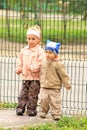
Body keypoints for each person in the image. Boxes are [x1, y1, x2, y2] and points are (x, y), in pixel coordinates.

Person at [38, 40, 71, 120]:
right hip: (44, 86)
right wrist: (40, 81)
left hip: (55, 87)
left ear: (55, 53)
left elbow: (63, 75)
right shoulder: (43, 61)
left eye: (50, 52)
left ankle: (56, 113)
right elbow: (41, 72)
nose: (47, 54)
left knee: (55, 101)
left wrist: (67, 84)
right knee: (43, 100)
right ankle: (43, 111)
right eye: (46, 52)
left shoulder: (58, 63)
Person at [16, 25, 44, 116]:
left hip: (35, 78)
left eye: (33, 39)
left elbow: (40, 62)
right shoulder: (24, 50)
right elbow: (19, 60)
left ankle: (31, 109)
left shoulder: (40, 51)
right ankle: (20, 108)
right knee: (23, 93)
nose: (30, 41)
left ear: (38, 40)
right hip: (25, 76)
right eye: (29, 39)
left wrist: (32, 68)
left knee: (33, 94)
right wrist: (19, 68)